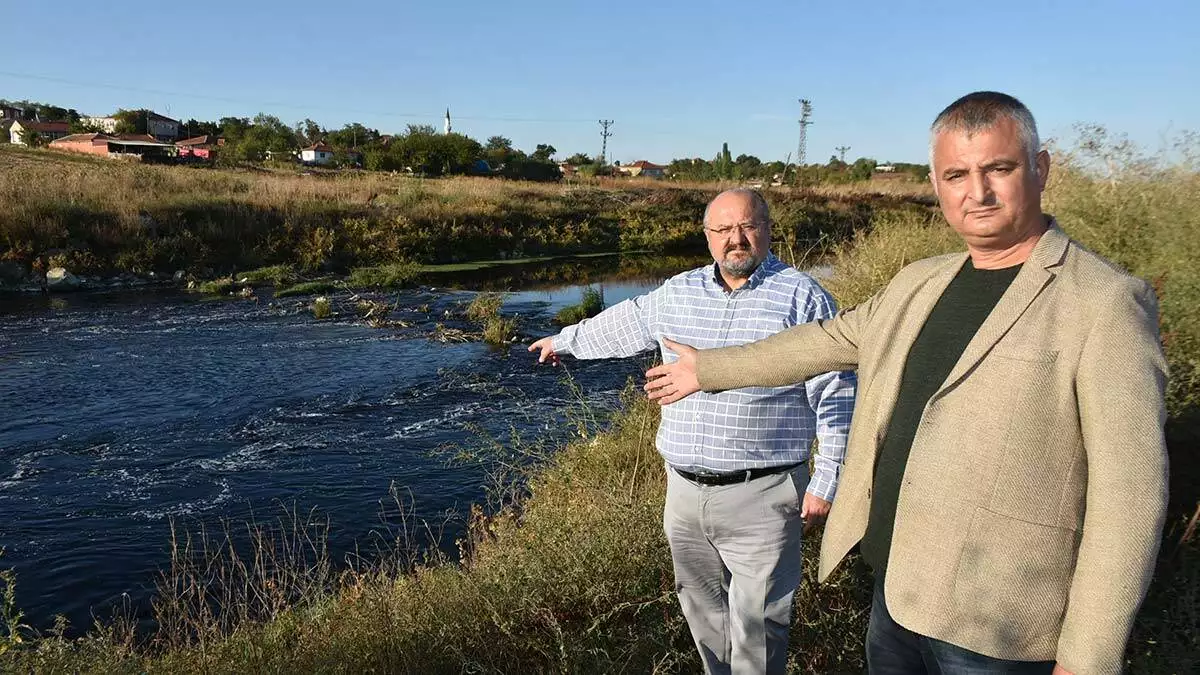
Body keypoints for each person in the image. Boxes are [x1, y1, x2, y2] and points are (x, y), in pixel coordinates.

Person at [643, 92, 1168, 675]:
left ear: (1039, 169)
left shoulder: (1104, 303)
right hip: (896, 592)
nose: (978, 192)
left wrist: (1088, 658)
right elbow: (819, 341)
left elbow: (1130, 498)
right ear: (937, 186)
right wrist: (704, 371)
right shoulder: (920, 283)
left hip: (999, 624)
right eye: (957, 174)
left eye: (999, 168)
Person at [528, 188, 856, 674]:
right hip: (683, 492)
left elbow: (837, 391)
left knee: (759, 626)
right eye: (722, 230)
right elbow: (626, 322)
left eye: (747, 227)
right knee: (701, 609)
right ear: (707, 237)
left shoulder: (804, 297)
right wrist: (564, 340)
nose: (735, 239)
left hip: (764, 494)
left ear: (767, 229)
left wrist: (828, 480)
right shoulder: (679, 291)